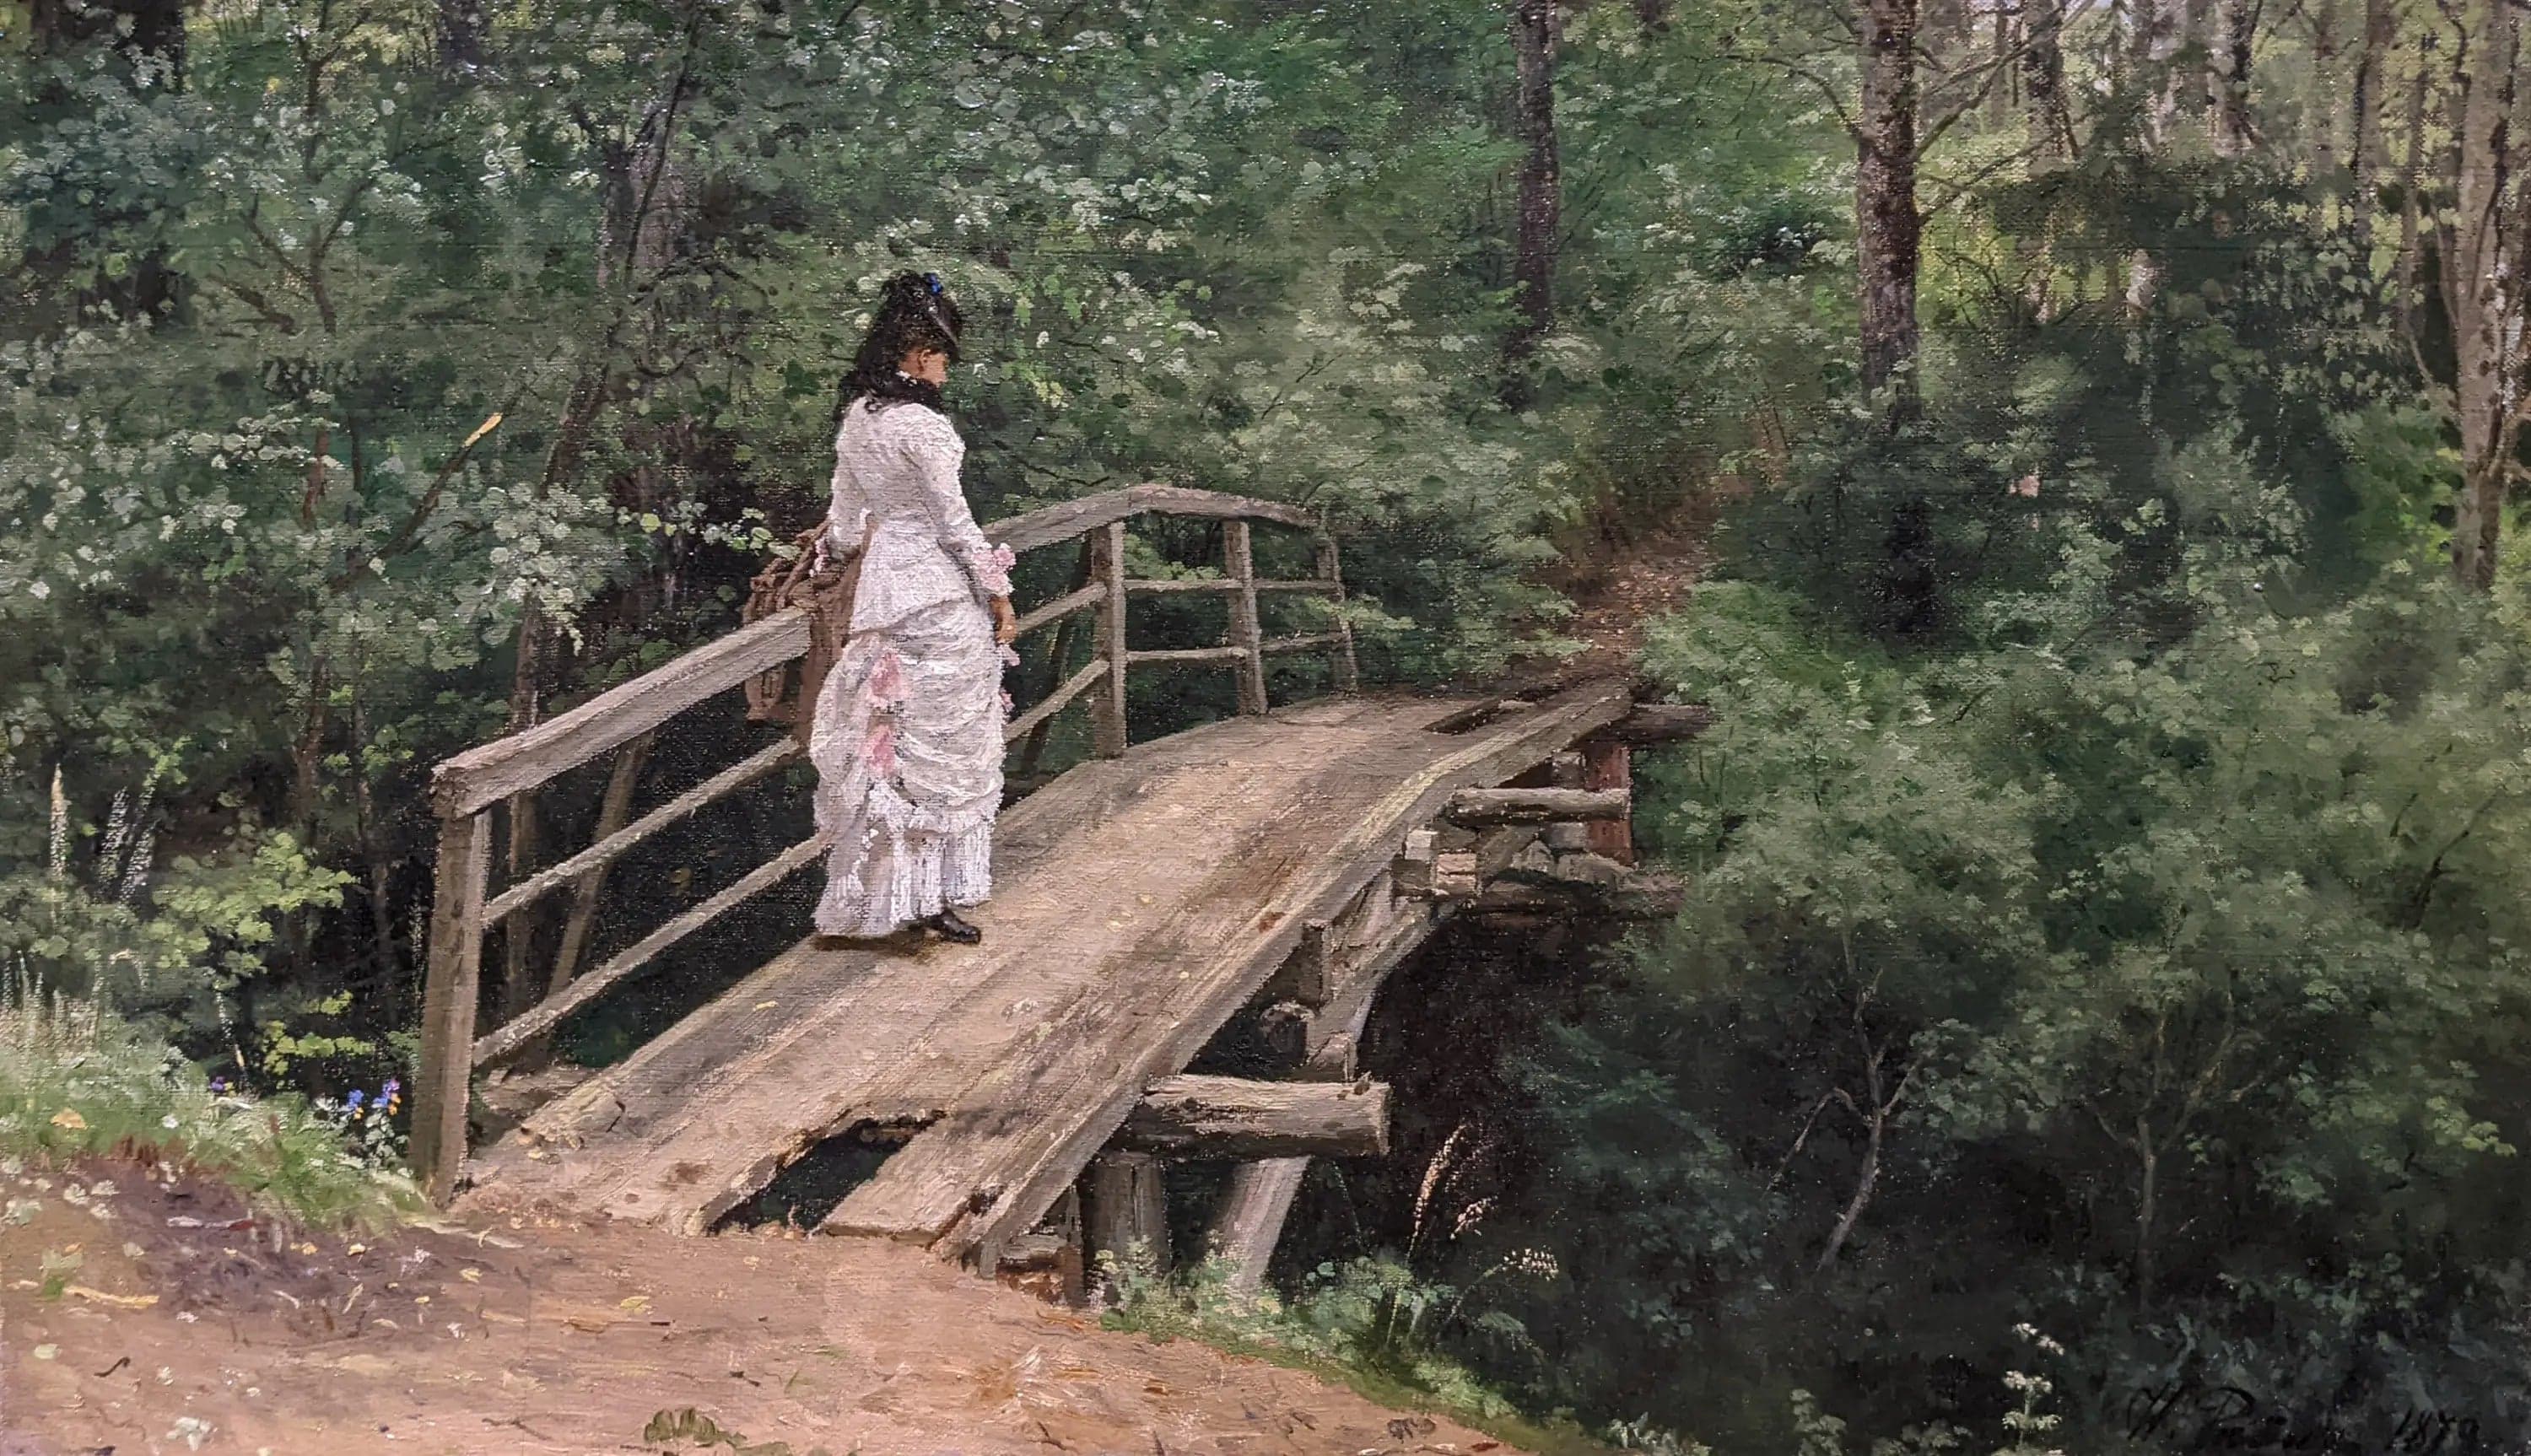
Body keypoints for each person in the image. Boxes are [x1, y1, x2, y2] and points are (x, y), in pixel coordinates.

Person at [808, 271, 1019, 946]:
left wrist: (831, 558)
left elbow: (845, 526)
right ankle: (931, 899)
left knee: (893, 753)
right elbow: (955, 525)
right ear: (921, 354)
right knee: (945, 754)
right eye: (943, 358)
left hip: (883, 599)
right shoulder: (924, 427)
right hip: (936, 599)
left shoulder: (858, 421)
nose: (946, 371)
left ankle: (894, 901)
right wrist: (998, 592)